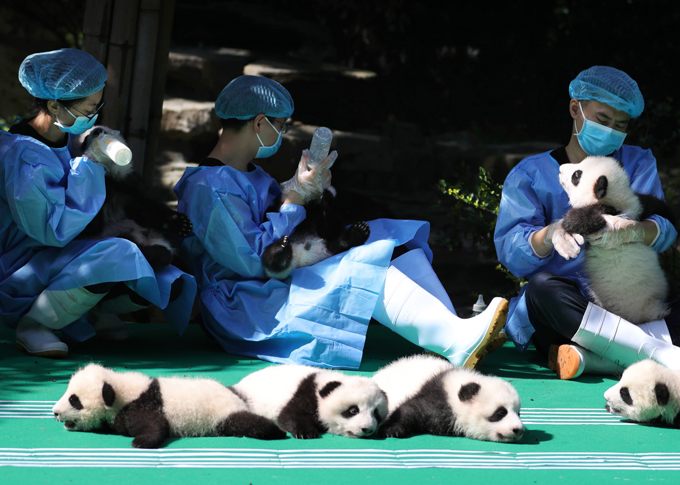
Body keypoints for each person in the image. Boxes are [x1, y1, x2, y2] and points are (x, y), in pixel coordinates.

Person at [174, 75, 506, 370]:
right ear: (260, 123)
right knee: (363, 262)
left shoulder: (253, 175)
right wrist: (295, 199)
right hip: (245, 303)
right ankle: (455, 342)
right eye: (282, 125)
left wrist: (302, 193)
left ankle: (451, 330)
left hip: (277, 279)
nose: (283, 132)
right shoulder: (209, 186)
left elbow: (285, 226)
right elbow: (254, 261)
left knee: (388, 239)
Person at [494, 66, 680, 379]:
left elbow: (664, 226)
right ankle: (652, 351)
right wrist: (549, 235)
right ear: (575, 108)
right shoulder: (530, 174)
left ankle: (589, 358)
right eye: (603, 119)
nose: (611, 131)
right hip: (570, 309)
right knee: (540, 290)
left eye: (621, 125)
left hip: (630, 304)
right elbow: (512, 253)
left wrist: (633, 230)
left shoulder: (638, 162)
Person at [0, 48, 196, 358]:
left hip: (63, 253)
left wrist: (91, 148)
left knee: (164, 272)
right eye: (89, 108)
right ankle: (36, 324)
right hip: (24, 263)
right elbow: (53, 230)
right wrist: (90, 163)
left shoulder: (61, 139)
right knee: (121, 252)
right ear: (54, 104)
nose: (94, 114)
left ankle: (88, 313)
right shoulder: (24, 157)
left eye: (97, 105)